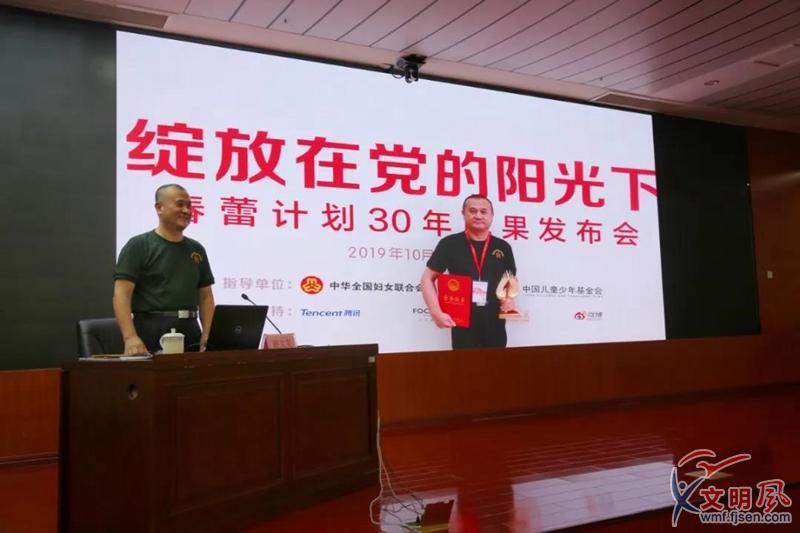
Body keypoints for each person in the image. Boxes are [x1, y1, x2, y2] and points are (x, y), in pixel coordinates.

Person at [113, 184, 215, 355]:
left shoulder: (196, 249)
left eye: (189, 206)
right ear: (159, 208)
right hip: (151, 329)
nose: (186, 210)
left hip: (190, 329)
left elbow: (205, 296)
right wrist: (130, 337)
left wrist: (207, 333)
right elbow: (121, 294)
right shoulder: (139, 245)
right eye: (180, 204)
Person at [421, 194, 517, 349]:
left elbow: (510, 280)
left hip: (494, 321)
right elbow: (427, 278)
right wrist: (435, 312)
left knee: (497, 363)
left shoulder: (503, 247)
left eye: (483, 211)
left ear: (491, 216)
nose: (478, 215)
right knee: (464, 363)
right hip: (462, 322)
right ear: (463, 214)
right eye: (472, 211)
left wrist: (508, 298)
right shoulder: (450, 244)